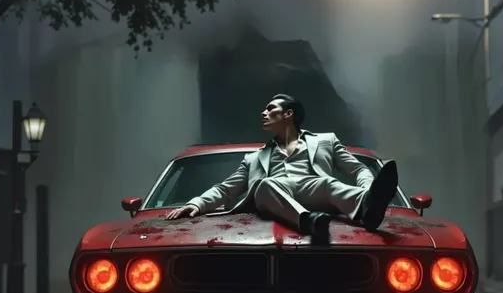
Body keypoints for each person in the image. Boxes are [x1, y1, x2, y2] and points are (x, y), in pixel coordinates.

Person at [165, 93, 398, 237]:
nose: (263, 113)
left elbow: (358, 169)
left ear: (288, 114)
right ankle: (307, 221)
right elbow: (226, 190)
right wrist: (196, 203)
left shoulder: (326, 141)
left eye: (270, 109)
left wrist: (369, 190)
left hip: (316, 193)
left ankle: (368, 207)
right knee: (265, 185)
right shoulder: (254, 159)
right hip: (273, 197)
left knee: (328, 183)